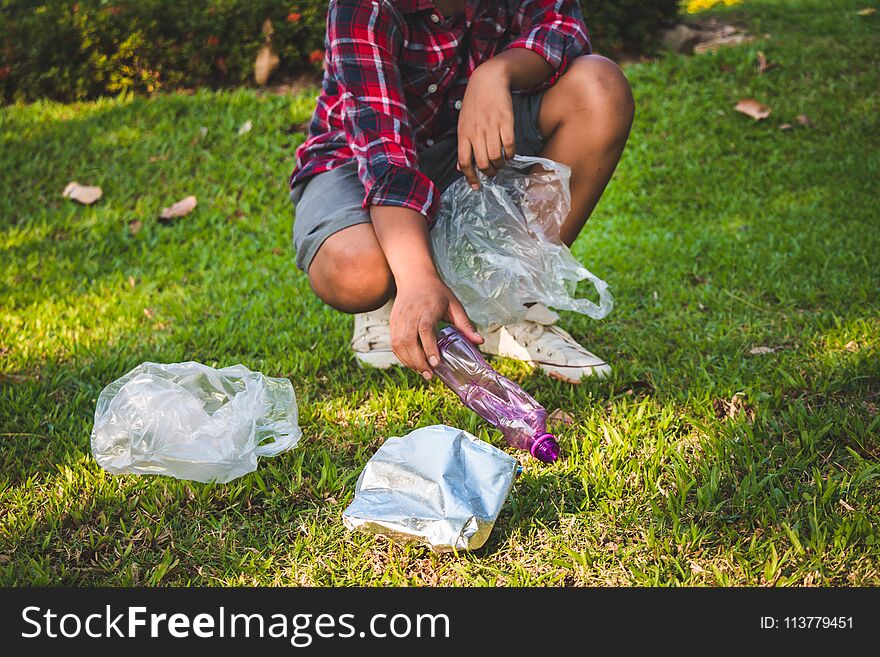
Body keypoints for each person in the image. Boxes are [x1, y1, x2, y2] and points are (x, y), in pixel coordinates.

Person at [289, 0, 634, 384]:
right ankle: (393, 299)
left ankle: (512, 301)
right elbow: (385, 155)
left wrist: (497, 73)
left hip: (470, 138)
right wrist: (416, 278)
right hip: (355, 158)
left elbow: (562, 27)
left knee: (599, 87)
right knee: (357, 272)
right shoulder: (362, 7)